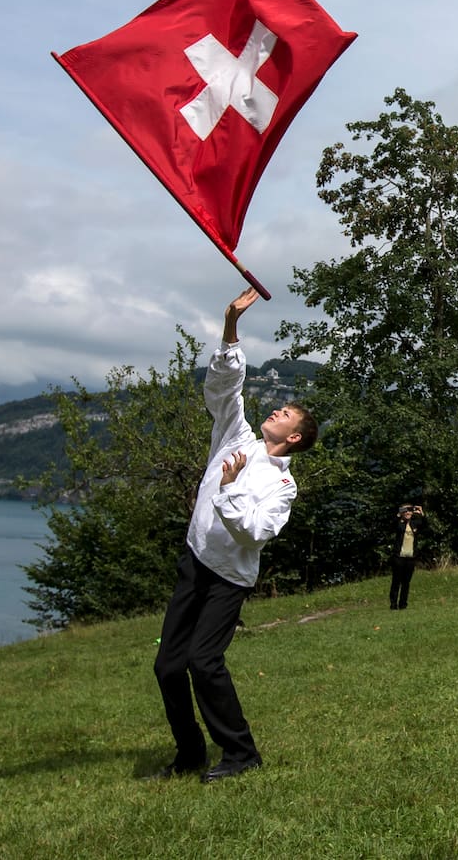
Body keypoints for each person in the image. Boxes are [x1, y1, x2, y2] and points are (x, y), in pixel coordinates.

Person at [154, 288, 316, 785]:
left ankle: (242, 754)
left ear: (294, 438)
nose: (277, 411)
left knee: (204, 662)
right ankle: (188, 756)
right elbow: (224, 390)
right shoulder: (236, 436)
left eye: (286, 415)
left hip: (229, 579)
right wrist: (230, 326)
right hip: (195, 560)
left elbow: (253, 534)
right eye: (279, 408)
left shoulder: (282, 485)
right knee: (167, 667)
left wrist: (227, 491)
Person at [388, 503, 425, 611]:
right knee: (396, 581)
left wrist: (421, 513)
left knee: (406, 582)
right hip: (399, 557)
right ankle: (393, 604)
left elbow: (425, 525)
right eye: (405, 510)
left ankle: (403, 604)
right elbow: (392, 525)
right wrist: (399, 515)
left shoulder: (415, 524)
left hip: (410, 558)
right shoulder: (400, 524)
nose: (408, 512)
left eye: (410, 510)